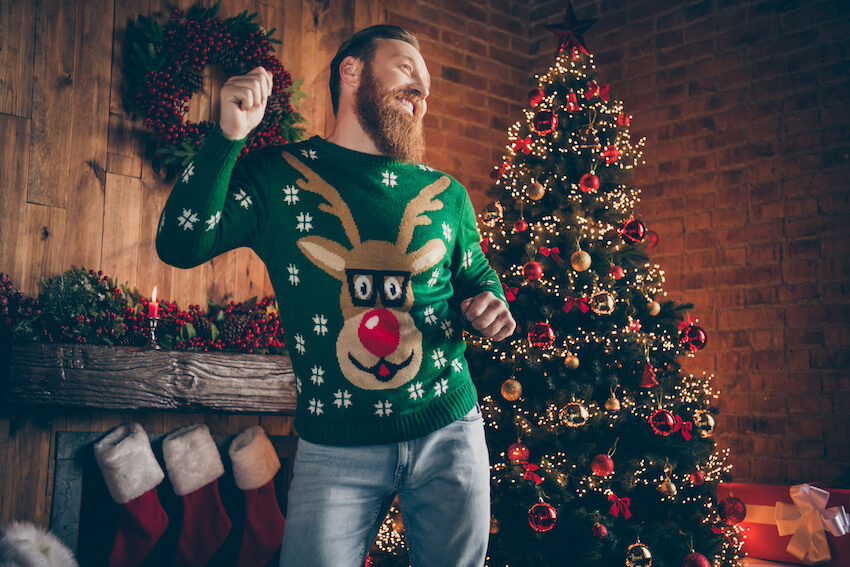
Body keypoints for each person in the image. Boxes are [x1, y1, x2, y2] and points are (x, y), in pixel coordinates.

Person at [156, 24, 515, 567]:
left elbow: (476, 277)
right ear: (351, 71)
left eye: (427, 82)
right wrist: (227, 138)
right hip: (334, 445)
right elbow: (181, 244)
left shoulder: (447, 194)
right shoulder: (278, 176)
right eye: (406, 67)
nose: (422, 86)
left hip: (450, 429)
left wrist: (490, 302)